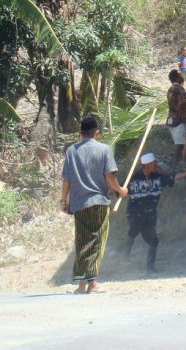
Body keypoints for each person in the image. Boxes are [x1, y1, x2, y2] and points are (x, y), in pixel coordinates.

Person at [61, 117, 127, 294]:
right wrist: (120, 190)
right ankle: (93, 284)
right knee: (96, 241)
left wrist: (63, 201)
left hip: (78, 204)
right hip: (98, 202)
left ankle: (82, 284)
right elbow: (109, 178)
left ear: (80, 132)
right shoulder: (104, 150)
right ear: (96, 132)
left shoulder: (71, 152)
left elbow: (66, 180)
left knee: (82, 242)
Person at [123, 153, 186, 273]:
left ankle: (150, 268)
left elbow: (173, 177)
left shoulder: (157, 177)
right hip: (135, 212)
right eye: (154, 163)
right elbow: (120, 189)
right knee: (134, 229)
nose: (156, 165)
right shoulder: (133, 179)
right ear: (148, 165)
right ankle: (124, 256)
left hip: (150, 214)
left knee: (153, 241)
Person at [167, 69, 186, 165]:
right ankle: (176, 165)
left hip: (171, 119)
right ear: (176, 78)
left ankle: (177, 164)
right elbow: (180, 103)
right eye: (180, 75)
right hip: (179, 120)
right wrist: (184, 99)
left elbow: (177, 103)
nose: (182, 76)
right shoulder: (179, 88)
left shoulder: (171, 88)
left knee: (179, 143)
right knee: (181, 144)